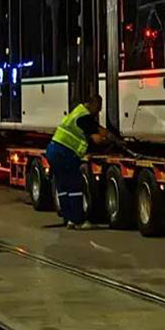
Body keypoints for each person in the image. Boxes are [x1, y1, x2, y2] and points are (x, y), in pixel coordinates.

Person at [45, 94, 108, 229]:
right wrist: (108, 138)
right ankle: (79, 221)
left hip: (53, 150)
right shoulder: (84, 117)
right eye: (98, 108)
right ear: (94, 105)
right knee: (74, 186)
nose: (98, 112)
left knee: (63, 186)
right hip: (64, 152)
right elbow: (97, 136)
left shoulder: (77, 112)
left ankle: (69, 219)